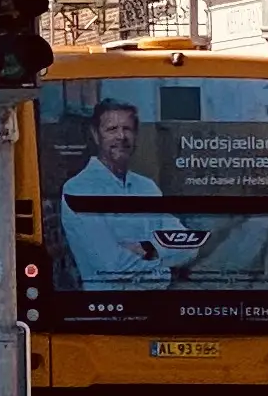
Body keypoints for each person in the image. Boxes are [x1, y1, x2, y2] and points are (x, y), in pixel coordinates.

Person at [52, 98, 181, 287]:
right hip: (106, 310)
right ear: (96, 135)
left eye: (127, 129)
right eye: (112, 129)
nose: (121, 136)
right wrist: (163, 267)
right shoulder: (78, 189)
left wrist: (148, 249)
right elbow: (113, 265)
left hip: (158, 307)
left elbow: (187, 246)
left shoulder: (147, 187)